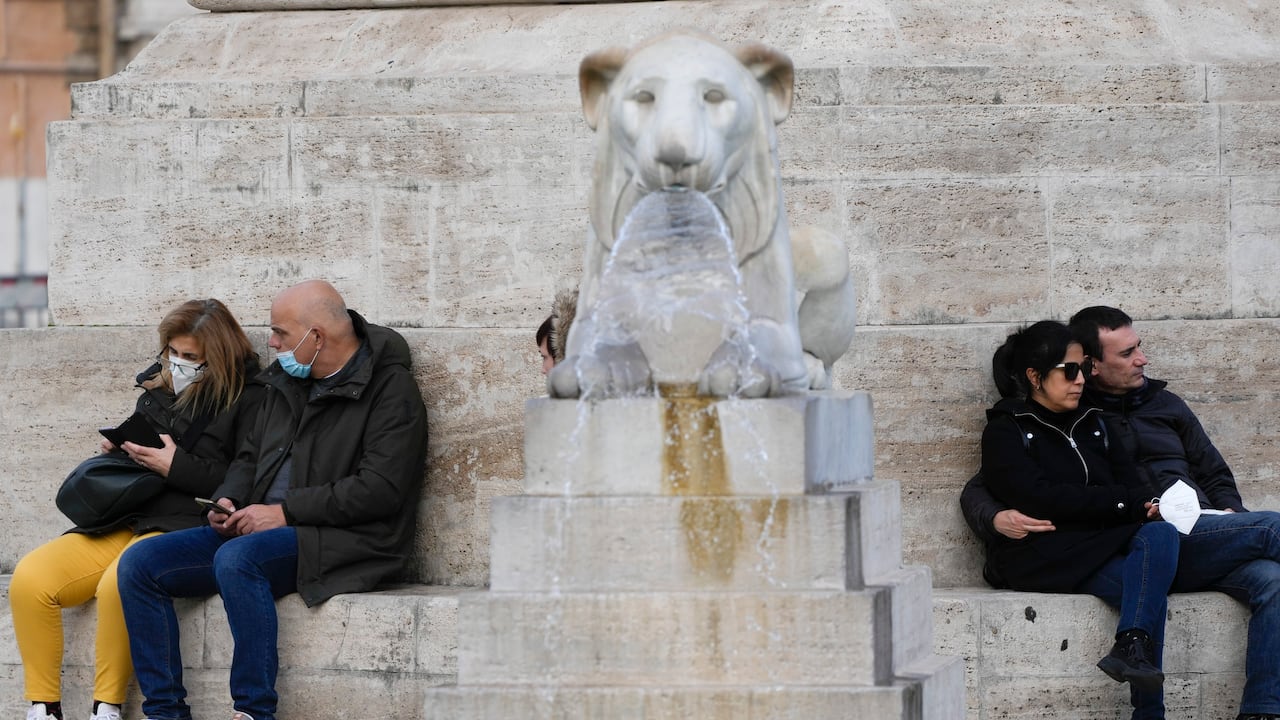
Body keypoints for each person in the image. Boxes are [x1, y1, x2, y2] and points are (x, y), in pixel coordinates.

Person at [116, 280, 428, 720]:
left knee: (239, 560)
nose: (272, 342)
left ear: (315, 337)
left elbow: (379, 490)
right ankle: (165, 712)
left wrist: (284, 512)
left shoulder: (391, 391)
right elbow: (248, 457)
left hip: (344, 537)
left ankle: (253, 711)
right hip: (262, 528)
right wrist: (228, 501)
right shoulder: (284, 382)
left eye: (280, 332)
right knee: (140, 565)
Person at [963, 307, 1280, 720]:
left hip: (1189, 527)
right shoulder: (1049, 419)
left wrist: (1229, 514)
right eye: (1126, 353)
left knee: (1271, 578)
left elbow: (1211, 472)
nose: (1141, 359)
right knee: (1270, 528)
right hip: (1118, 538)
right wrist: (993, 517)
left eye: (1139, 348)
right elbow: (996, 486)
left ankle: (1263, 710)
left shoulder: (1155, 408)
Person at [11, 299, 263, 720]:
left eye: (191, 358)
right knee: (31, 579)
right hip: (128, 513)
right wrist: (123, 448)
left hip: (183, 525)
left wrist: (174, 466)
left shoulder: (251, 399)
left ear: (216, 357)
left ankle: (106, 706)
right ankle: (44, 706)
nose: (178, 364)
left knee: (117, 584)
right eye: (173, 353)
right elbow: (146, 446)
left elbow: (246, 476)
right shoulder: (158, 386)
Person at [978, 320, 1179, 719]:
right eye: (1069, 371)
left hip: (1099, 545)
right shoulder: (1008, 430)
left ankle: (1131, 645)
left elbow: (1134, 484)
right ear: (1035, 377)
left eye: (1083, 369)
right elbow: (1040, 498)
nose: (1080, 380)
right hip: (1046, 556)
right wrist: (1121, 505)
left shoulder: (1093, 422)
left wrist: (1140, 503)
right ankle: (1149, 709)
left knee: (1161, 536)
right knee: (1145, 590)